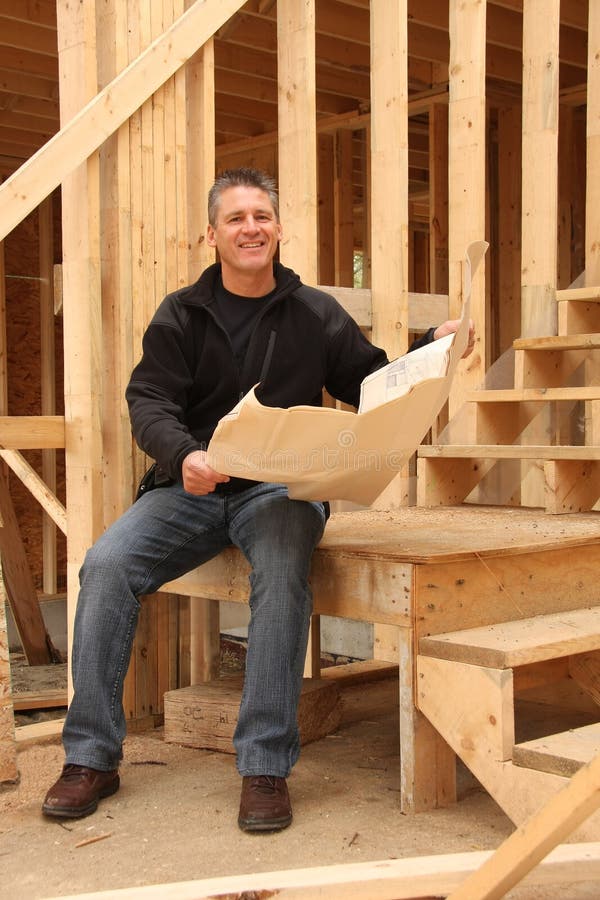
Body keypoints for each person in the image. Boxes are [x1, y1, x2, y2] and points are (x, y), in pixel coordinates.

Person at [42, 167, 475, 832]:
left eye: (262, 216)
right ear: (212, 234)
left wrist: (429, 351)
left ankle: (264, 768)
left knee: (281, 572)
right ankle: (90, 758)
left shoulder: (314, 313)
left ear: (277, 228)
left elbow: (371, 383)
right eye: (237, 218)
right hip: (191, 486)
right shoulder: (181, 314)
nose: (252, 228)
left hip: (281, 489)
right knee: (105, 566)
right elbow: (149, 400)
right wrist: (184, 456)